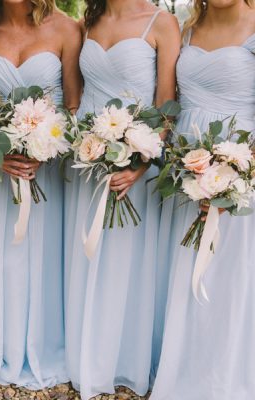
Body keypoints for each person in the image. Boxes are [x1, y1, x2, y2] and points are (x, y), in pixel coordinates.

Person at [62, 1, 180, 398]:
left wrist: (142, 163)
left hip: (136, 164)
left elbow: (166, 105)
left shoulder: (162, 23)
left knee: (126, 261)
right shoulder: (86, 21)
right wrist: (84, 143)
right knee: (87, 255)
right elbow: (76, 96)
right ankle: (84, 353)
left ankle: (123, 361)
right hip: (88, 159)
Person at [0, 0, 82, 389]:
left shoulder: (66, 29)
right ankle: (2, 342)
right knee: (4, 257)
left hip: (49, 169)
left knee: (45, 254)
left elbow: (73, 104)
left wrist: (46, 148)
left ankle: (45, 344)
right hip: (1, 171)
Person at [151, 1, 255, 398]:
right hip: (184, 167)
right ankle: (180, 366)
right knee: (183, 264)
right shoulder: (185, 25)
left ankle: (222, 376)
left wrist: (234, 173)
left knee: (227, 271)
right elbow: (170, 99)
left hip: (239, 164)